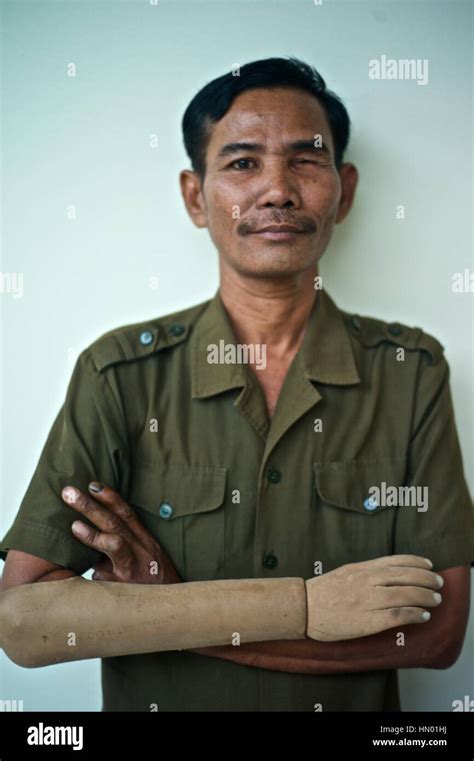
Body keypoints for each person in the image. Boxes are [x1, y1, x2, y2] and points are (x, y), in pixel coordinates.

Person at [1, 57, 473, 712]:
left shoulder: (411, 371)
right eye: (243, 162)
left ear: (347, 188)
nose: (277, 190)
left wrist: (161, 606)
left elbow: (437, 634)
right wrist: (309, 607)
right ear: (196, 197)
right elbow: (25, 621)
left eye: (305, 160)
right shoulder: (118, 374)